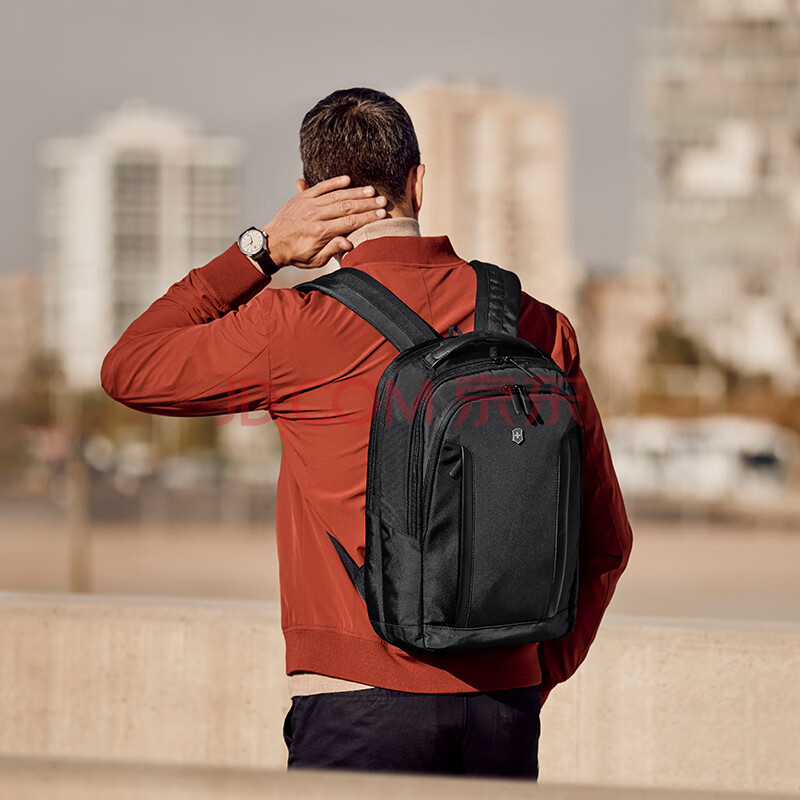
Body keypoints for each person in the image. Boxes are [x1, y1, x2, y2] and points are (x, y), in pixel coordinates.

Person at [101, 87, 633, 779]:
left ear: (306, 195)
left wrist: (261, 251)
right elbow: (606, 538)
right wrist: (528, 672)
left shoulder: (293, 326)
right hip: (504, 706)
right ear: (419, 182)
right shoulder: (539, 325)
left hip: (355, 704)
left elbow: (130, 367)